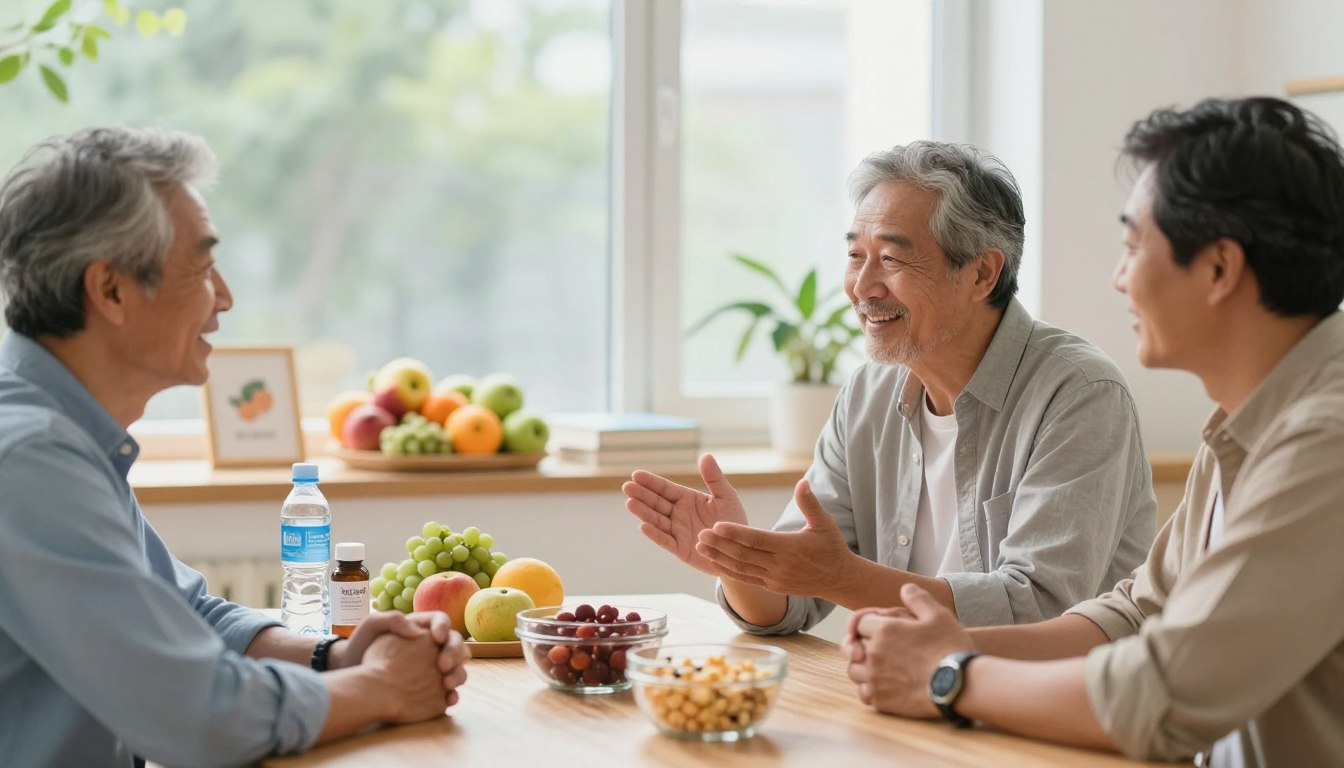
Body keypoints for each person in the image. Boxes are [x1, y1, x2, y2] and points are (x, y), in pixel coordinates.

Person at [841, 97, 1344, 766]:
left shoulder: (1327, 439)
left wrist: (949, 677)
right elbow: (1137, 613)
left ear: (1220, 269)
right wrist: (944, 649)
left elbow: (1161, 693)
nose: (1118, 278)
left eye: (1134, 246)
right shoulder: (1248, 423)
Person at [0, 127, 469, 768]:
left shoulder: (65, 432)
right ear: (109, 290)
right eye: (201, 265)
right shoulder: (29, 460)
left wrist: (337, 655)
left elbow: (182, 611)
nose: (224, 298)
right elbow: (197, 716)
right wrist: (384, 686)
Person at [624, 141, 1156, 633]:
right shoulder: (868, 395)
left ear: (981, 274)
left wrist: (844, 578)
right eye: (856, 256)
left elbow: (1042, 609)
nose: (862, 287)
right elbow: (793, 602)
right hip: (911, 699)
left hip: (1049, 717)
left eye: (892, 259)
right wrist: (738, 561)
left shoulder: (1080, 394)